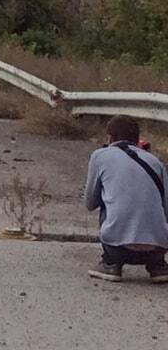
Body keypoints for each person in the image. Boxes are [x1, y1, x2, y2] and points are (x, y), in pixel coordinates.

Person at [85, 115, 168, 283]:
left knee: (107, 201)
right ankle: (158, 266)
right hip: (158, 247)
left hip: (118, 248)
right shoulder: (155, 161)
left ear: (110, 137)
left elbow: (90, 203)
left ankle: (111, 263)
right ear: (138, 139)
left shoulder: (100, 156)